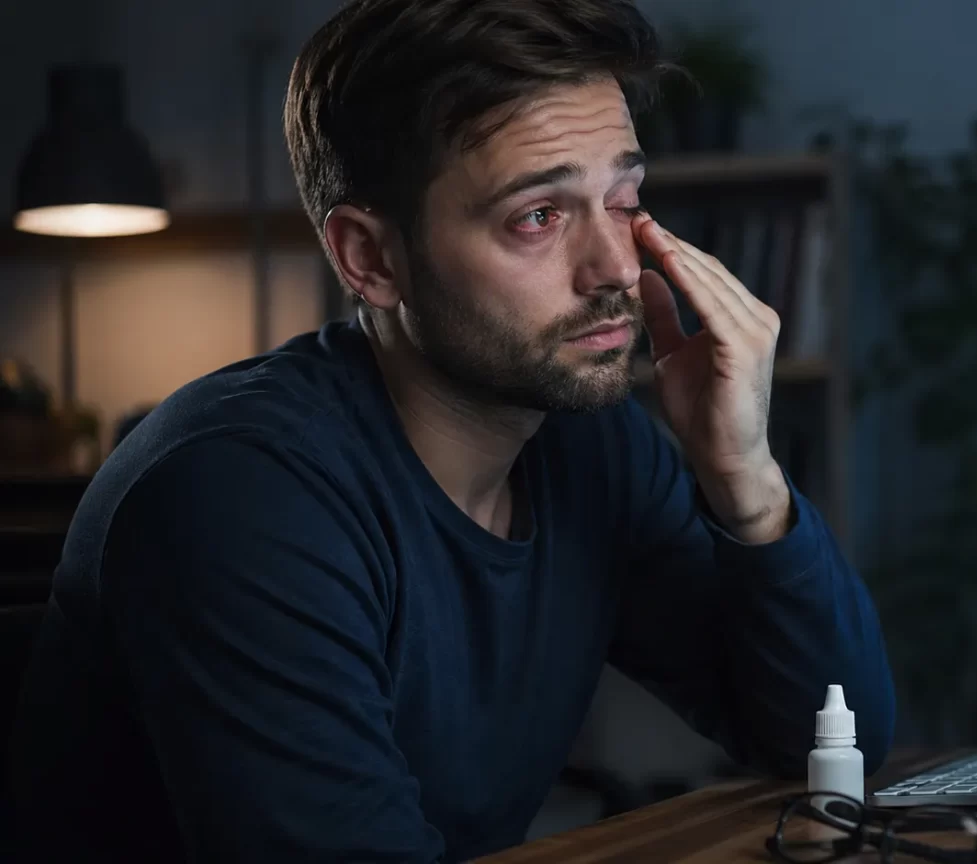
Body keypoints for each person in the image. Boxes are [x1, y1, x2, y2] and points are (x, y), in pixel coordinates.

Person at [2, 0, 896, 860]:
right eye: (539, 216)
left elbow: (832, 742)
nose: (619, 265)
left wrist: (744, 477)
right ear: (370, 258)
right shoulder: (237, 497)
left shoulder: (587, 444)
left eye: (626, 199)